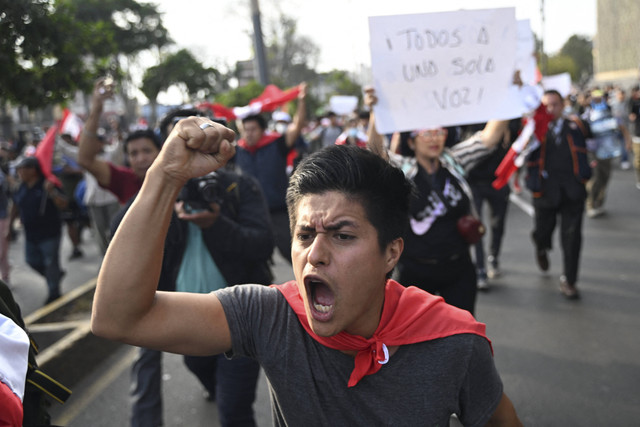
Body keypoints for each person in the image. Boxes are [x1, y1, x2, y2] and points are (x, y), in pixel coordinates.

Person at [91, 117, 522, 426]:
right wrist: (164, 177)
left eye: (343, 235)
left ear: (391, 253)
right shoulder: (270, 315)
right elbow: (119, 317)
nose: (315, 254)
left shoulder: (453, 342)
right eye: (304, 235)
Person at [365, 88, 509, 315]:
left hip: (458, 266)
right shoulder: (403, 169)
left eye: (439, 132)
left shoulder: (455, 160)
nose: (434, 138)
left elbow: (489, 138)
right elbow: (375, 155)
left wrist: (508, 91)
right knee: (413, 339)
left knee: (461, 331)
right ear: (412, 142)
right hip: (414, 270)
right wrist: (375, 111)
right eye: (427, 133)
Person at [526, 89, 592, 300]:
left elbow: (594, 134)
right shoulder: (533, 130)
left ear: (563, 105)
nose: (551, 109)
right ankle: (541, 247)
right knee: (543, 232)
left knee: (572, 238)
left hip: (572, 191)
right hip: (544, 191)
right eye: (547, 105)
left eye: (555, 104)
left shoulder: (576, 126)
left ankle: (570, 280)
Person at [234, 83, 307, 264]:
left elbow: (297, 126)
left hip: (278, 211)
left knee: (295, 254)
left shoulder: (276, 145)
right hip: (250, 213)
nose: (248, 134)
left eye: (252, 130)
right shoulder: (237, 150)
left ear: (262, 129)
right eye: (245, 130)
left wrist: (302, 101)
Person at [78, 78, 162, 205]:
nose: (141, 159)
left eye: (147, 151)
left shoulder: (176, 178)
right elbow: (85, 160)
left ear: (160, 151)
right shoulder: (125, 181)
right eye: (134, 154)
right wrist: (96, 111)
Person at [466, 119, 522, 290]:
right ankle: (480, 269)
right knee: (476, 227)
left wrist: (503, 124)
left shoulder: (508, 118)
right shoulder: (472, 115)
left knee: (498, 224)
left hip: (499, 180)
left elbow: (516, 128)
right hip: (474, 180)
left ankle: (493, 257)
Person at [9, 157, 68, 304]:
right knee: (32, 260)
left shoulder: (47, 184)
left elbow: (63, 204)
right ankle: (53, 276)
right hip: (30, 234)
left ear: (33, 170)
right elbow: (15, 206)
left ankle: (54, 293)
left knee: (50, 262)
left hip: (49, 233)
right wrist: (9, 226)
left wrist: (52, 192)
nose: (19, 172)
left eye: (22, 168)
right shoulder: (21, 187)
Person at [582, 89, 632, 218]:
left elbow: (623, 129)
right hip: (593, 152)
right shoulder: (587, 115)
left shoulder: (611, 113)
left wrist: (627, 142)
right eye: (594, 98)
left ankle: (599, 203)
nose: (597, 100)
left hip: (608, 152)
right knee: (595, 178)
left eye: (599, 98)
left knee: (605, 178)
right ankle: (590, 204)